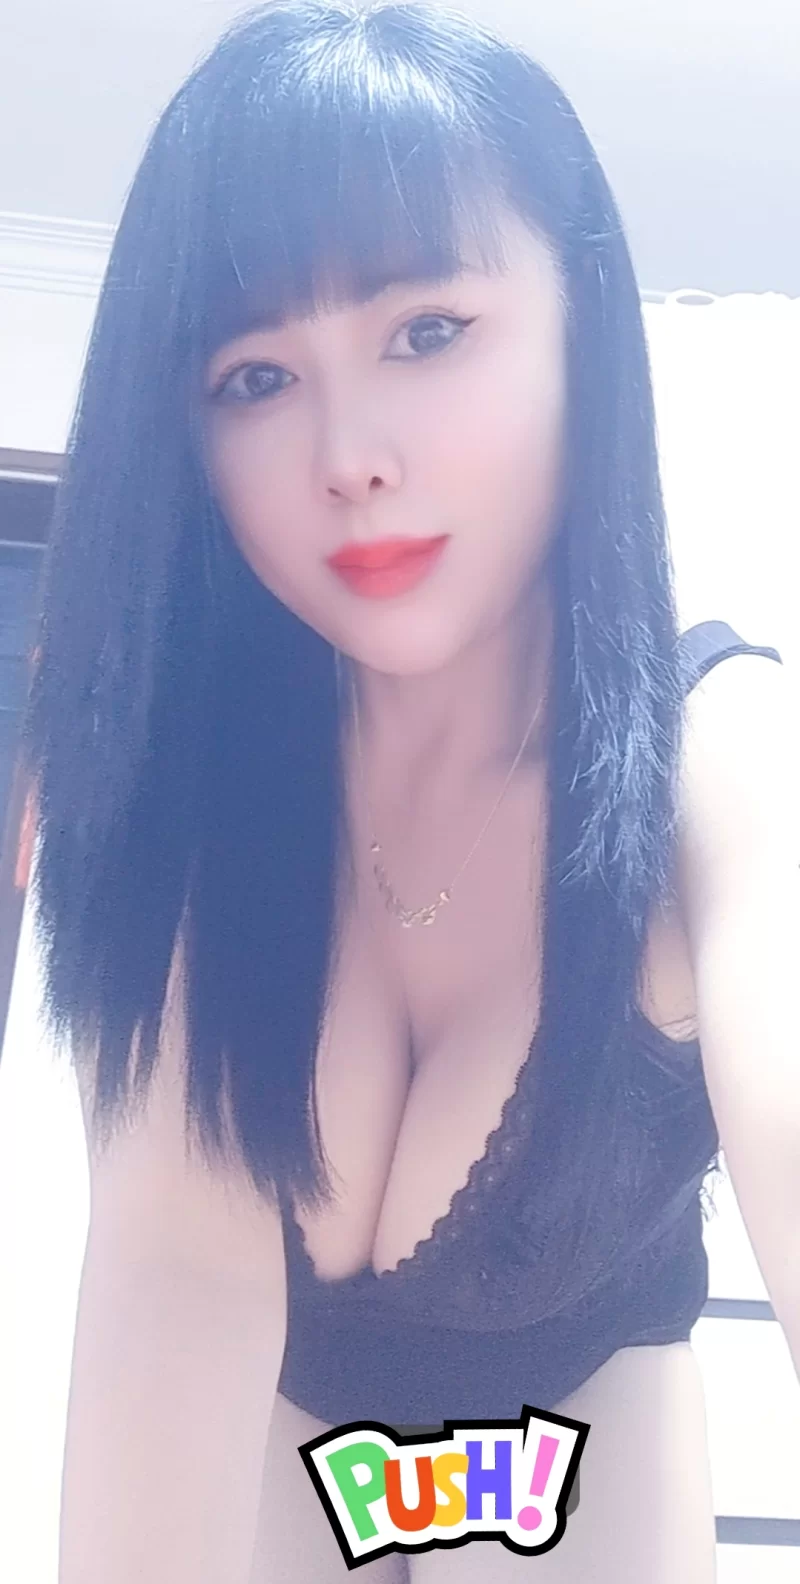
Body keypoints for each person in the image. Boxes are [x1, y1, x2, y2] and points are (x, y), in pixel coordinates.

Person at [17, 3, 797, 1581]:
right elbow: (172, 1308)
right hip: (292, 1440)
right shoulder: (182, 798)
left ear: (580, 326)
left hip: (581, 1433)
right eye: (253, 376)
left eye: (428, 332)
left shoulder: (724, 765)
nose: (349, 455)